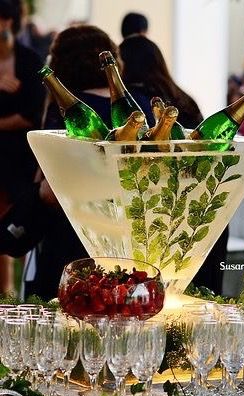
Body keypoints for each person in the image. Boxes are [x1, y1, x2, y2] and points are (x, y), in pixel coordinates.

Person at [0, 24, 155, 300]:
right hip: (137, 241)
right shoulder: (140, 104)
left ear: (60, 65)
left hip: (73, 245)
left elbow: (50, 188)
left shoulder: (69, 112)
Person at [119, 35, 228, 294]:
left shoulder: (131, 105)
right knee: (201, 295)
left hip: (157, 209)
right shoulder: (183, 98)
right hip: (203, 203)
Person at [0, 0, 45, 295]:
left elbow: (32, 114)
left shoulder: (28, 59)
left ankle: (22, 293)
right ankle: (4, 291)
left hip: (20, 158)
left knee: (23, 222)